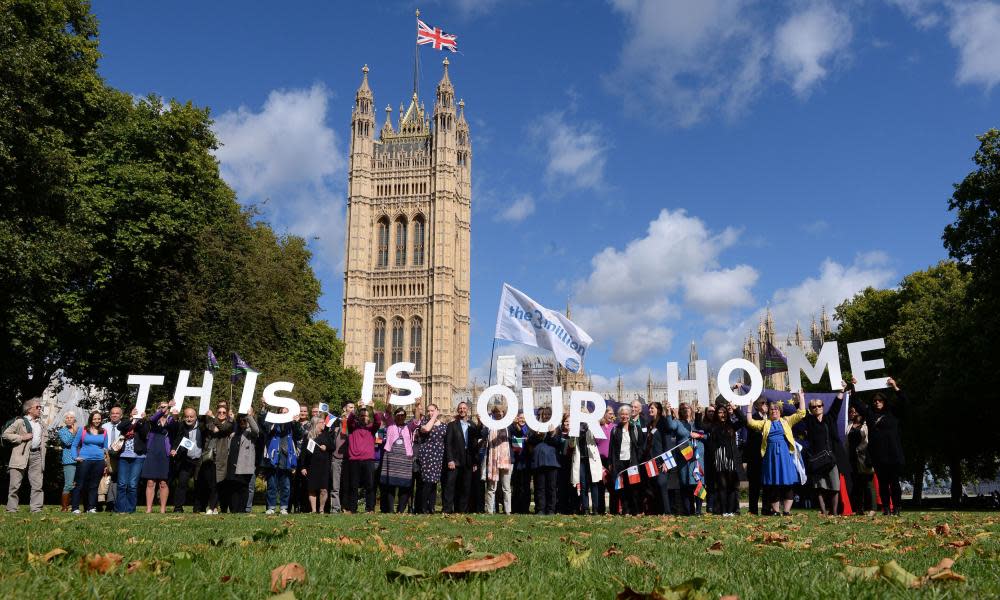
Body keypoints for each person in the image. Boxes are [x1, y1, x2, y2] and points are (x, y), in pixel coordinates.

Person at [746, 392, 806, 516]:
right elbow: (750, 422)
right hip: (771, 457)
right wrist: (749, 407)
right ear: (769, 412)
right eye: (772, 409)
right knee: (773, 484)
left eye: (776, 409)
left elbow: (801, 413)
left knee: (788, 483)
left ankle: (787, 511)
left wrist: (801, 397)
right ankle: (776, 511)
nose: (774, 411)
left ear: (780, 411)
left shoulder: (786, 421)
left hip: (785, 456)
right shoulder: (765, 423)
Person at [853, 377, 905, 516]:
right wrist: (854, 387)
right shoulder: (869, 414)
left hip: (893, 453)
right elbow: (857, 404)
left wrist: (895, 387)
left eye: (880, 400)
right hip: (878, 454)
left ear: (884, 401)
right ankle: (886, 509)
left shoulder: (892, 412)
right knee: (883, 484)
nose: (877, 402)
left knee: (894, 483)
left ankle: (897, 508)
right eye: (875, 400)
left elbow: (904, 401)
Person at [802, 383, 848, 516]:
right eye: (813, 407)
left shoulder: (830, 418)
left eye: (819, 406)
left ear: (823, 407)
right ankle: (823, 511)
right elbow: (799, 409)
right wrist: (799, 396)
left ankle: (833, 512)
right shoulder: (809, 421)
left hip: (831, 458)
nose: (816, 408)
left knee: (834, 486)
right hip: (816, 460)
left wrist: (841, 390)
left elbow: (837, 404)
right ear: (810, 409)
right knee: (819, 487)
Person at [4, 398, 46, 513]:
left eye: (40, 407)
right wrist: (21, 437)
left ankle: (36, 509)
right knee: (15, 484)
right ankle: (11, 509)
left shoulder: (41, 423)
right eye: (37, 407)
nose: (40, 409)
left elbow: (44, 439)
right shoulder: (20, 422)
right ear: (29, 410)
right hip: (20, 455)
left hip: (37, 455)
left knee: (37, 484)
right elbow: (5, 435)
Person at [704, 401, 746, 516]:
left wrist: (735, 409)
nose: (722, 414)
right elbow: (700, 426)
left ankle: (732, 510)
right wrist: (698, 413)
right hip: (719, 459)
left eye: (724, 412)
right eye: (720, 412)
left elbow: (743, 420)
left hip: (732, 459)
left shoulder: (731, 425)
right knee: (722, 486)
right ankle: (723, 510)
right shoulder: (712, 426)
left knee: (732, 486)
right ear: (717, 414)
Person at [663, 402, 704, 515]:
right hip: (684, 457)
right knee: (685, 484)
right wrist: (668, 411)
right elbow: (671, 426)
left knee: (699, 483)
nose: (685, 410)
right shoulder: (678, 423)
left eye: (687, 408)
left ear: (691, 409)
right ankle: (688, 510)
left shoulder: (698, 423)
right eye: (683, 409)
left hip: (698, 457)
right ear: (680, 411)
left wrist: (699, 435)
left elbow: (707, 435)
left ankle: (699, 511)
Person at [259, 409, 302, 515]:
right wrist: (263, 409)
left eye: (286, 412)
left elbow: (299, 435)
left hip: (286, 458)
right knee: (272, 484)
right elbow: (263, 425)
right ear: (278, 413)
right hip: (273, 458)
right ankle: (271, 507)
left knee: (286, 485)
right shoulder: (272, 423)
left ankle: (284, 507)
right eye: (282, 412)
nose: (284, 414)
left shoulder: (292, 424)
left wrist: (296, 423)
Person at [379, 407, 418, 513]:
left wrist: (418, 406)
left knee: (405, 485)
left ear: (405, 417)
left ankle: (400, 510)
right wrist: (389, 396)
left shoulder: (409, 426)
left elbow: (417, 421)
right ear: (395, 416)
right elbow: (387, 412)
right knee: (390, 485)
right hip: (391, 457)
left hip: (405, 458)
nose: (400, 417)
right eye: (398, 415)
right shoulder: (390, 424)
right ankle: (390, 510)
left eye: (402, 415)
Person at [141, 401, 177, 514]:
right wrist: (165, 408)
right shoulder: (154, 420)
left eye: (165, 407)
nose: (164, 409)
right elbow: (151, 419)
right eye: (161, 407)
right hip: (152, 451)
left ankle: (162, 509)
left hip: (165, 452)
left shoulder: (172, 420)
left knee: (163, 482)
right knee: (150, 482)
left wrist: (172, 414)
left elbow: (174, 428)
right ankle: (149, 509)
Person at [70, 411, 108, 513]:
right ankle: (75, 508)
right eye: (95, 419)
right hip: (84, 460)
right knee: (80, 485)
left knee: (94, 485)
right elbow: (74, 445)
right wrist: (75, 457)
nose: (97, 421)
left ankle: (91, 508)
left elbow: (105, 448)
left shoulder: (104, 431)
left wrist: (105, 463)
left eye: (99, 419)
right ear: (91, 419)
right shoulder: (83, 430)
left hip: (99, 461)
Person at [442, 401, 477, 513]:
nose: (462, 410)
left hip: (468, 459)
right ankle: (447, 509)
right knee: (450, 485)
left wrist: (475, 462)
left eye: (464, 408)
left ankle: (462, 510)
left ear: (468, 410)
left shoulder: (472, 425)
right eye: (460, 408)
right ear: (458, 410)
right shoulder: (452, 425)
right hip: (455, 460)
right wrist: (450, 459)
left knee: (465, 486)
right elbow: (448, 444)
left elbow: (476, 443)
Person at [345, 406, 382, 513]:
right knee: (354, 485)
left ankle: (370, 508)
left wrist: (373, 408)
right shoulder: (352, 427)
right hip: (354, 459)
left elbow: (378, 422)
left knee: (370, 485)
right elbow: (350, 419)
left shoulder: (371, 428)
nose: (363, 417)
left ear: (368, 417)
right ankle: (352, 509)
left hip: (368, 459)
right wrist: (357, 407)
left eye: (365, 416)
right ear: (358, 417)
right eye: (361, 416)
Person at [167, 407, 204, 512]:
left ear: (196, 417)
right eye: (186, 416)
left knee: (199, 484)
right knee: (182, 483)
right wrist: (174, 449)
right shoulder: (181, 426)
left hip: (199, 460)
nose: (189, 419)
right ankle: (178, 507)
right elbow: (176, 436)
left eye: (191, 417)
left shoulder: (202, 427)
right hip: (185, 459)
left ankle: (198, 507)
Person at [528, 406, 563, 515]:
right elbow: (529, 442)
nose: (546, 416)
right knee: (540, 487)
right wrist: (537, 435)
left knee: (551, 488)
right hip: (538, 462)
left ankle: (551, 509)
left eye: (548, 414)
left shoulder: (557, 428)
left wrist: (552, 434)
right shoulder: (535, 428)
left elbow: (558, 443)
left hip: (552, 462)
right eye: (544, 414)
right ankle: (540, 509)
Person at [608, 405, 642, 515]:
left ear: (629, 415)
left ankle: (635, 510)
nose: (624, 416)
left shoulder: (635, 428)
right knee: (622, 488)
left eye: (626, 414)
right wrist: (610, 463)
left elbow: (640, 446)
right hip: (619, 463)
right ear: (619, 416)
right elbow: (611, 448)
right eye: (622, 414)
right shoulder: (615, 430)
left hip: (632, 462)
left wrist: (639, 460)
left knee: (634, 487)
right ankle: (625, 510)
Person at [115, 407, 150, 513]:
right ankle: (120, 509)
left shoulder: (144, 422)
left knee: (132, 484)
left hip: (138, 457)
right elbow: (119, 426)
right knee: (121, 484)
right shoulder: (127, 422)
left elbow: (145, 434)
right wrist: (131, 417)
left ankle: (130, 509)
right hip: (124, 456)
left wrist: (142, 421)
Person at [224, 410, 260, 513]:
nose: (242, 423)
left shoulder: (250, 433)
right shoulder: (234, 434)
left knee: (243, 488)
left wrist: (249, 416)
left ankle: (243, 509)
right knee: (233, 488)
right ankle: (234, 509)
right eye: (240, 421)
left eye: (245, 421)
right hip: (232, 464)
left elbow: (256, 430)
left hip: (245, 465)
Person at [199, 405, 232, 514]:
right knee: (209, 483)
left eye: (223, 412)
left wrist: (213, 418)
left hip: (221, 458)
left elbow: (222, 429)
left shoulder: (229, 424)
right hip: (209, 456)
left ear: (226, 414)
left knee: (218, 483)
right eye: (219, 412)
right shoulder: (211, 422)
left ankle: (212, 507)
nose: (221, 414)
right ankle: (212, 506)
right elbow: (207, 427)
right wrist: (209, 419)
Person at [414, 403, 446, 513]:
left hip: (438, 456)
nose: (429, 413)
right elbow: (427, 429)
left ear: (437, 410)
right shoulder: (424, 423)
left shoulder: (443, 425)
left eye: (432, 410)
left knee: (434, 482)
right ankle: (423, 507)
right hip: (427, 455)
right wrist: (433, 416)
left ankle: (431, 507)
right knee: (427, 482)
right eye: (428, 411)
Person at [569, 411, 602, 515]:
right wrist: (572, 434)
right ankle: (586, 509)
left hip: (592, 459)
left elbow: (598, 439)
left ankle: (596, 509)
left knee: (594, 484)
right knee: (583, 485)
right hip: (581, 460)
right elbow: (571, 445)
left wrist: (591, 425)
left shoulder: (592, 425)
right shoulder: (575, 427)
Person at [641, 401, 672, 515]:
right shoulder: (650, 424)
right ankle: (657, 511)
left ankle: (667, 512)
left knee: (661, 484)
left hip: (660, 459)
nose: (650, 410)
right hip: (650, 460)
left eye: (652, 408)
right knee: (653, 485)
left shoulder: (663, 422)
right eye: (649, 409)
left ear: (658, 410)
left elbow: (667, 442)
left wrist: (666, 462)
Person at [482, 405, 513, 514]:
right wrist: (483, 423)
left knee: (506, 488)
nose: (499, 414)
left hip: (506, 459)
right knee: (492, 487)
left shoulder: (509, 425)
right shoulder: (489, 425)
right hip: (493, 460)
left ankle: (508, 511)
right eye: (496, 412)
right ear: (493, 414)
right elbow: (483, 434)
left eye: (501, 412)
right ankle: (490, 511)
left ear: (504, 413)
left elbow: (516, 434)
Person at [300, 417, 334, 513]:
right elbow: (303, 454)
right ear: (316, 424)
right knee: (312, 488)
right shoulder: (308, 436)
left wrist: (326, 447)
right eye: (322, 422)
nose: (324, 424)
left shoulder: (326, 435)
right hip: (312, 466)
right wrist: (303, 467)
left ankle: (322, 509)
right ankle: (314, 510)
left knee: (324, 489)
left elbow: (333, 446)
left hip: (324, 466)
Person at [847, 405, 875, 515]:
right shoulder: (849, 425)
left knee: (868, 482)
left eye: (854, 411)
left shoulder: (866, 425)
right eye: (850, 412)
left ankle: (872, 508)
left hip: (864, 457)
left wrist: (859, 449)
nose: (852, 413)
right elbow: (847, 442)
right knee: (857, 483)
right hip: (852, 457)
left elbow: (868, 441)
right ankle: (859, 508)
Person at [744, 397, 768, 515]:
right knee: (754, 485)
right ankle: (753, 510)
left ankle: (766, 509)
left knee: (767, 484)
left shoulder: (771, 418)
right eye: (762, 403)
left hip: (768, 457)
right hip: (755, 457)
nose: (765, 405)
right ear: (756, 406)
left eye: (766, 403)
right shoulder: (752, 418)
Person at [328, 402, 353, 513]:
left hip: (349, 458)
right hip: (336, 457)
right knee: (335, 486)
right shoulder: (336, 421)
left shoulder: (354, 423)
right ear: (344, 408)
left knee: (347, 486)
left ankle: (345, 507)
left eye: (354, 408)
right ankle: (335, 508)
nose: (352, 409)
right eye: (350, 407)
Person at [508, 412, 532, 514]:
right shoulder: (512, 428)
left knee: (526, 486)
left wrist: (520, 428)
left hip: (526, 461)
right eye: (520, 418)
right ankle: (515, 508)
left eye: (523, 418)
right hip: (516, 461)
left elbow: (526, 435)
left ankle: (525, 508)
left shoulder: (529, 429)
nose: (521, 420)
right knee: (516, 485)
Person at [101, 406, 124, 511]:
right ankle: (100, 502)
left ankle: (113, 502)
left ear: (121, 415)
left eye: (117, 413)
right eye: (112, 413)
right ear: (110, 415)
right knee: (104, 478)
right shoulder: (104, 426)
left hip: (120, 455)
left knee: (115, 479)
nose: (114, 415)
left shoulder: (124, 426)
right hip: (106, 455)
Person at [57, 412, 78, 511]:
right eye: (67, 418)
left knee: (78, 484)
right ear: (64, 420)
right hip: (69, 460)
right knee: (69, 484)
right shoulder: (62, 431)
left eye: (71, 417)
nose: (69, 419)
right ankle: (64, 507)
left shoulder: (80, 430)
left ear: (75, 420)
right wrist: (74, 433)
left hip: (80, 459)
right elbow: (67, 442)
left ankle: (75, 506)